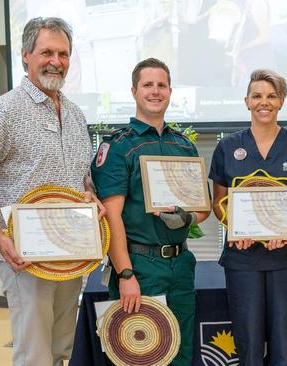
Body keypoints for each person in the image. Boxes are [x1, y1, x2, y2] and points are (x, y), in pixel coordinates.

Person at [0, 17, 102, 366]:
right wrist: (0, 238)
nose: (56, 61)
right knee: (34, 355)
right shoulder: (4, 111)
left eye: (63, 53)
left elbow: (81, 178)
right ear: (25, 56)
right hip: (24, 258)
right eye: (46, 52)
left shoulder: (77, 114)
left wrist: (90, 196)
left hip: (70, 255)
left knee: (60, 350)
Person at [90, 58, 211, 366]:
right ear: (134, 91)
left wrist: (188, 218)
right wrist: (126, 273)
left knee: (180, 354)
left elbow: (202, 211)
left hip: (181, 265)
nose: (155, 91)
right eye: (147, 85)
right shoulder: (118, 147)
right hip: (140, 266)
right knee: (139, 356)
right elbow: (111, 217)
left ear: (170, 91)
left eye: (161, 85)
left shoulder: (184, 147)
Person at [208, 69, 287, 366]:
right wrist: (235, 227)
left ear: (282, 101)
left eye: (272, 96)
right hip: (243, 259)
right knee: (248, 350)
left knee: (285, 350)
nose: (264, 102)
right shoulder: (227, 146)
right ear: (246, 101)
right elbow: (219, 202)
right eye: (257, 96)